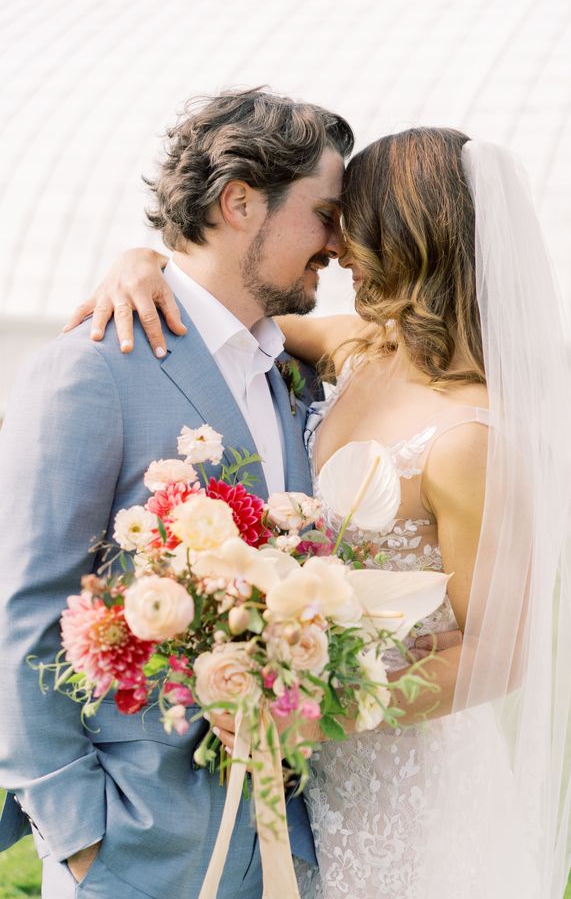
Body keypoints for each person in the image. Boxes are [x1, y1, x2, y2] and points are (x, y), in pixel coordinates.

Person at [80, 126, 571, 898]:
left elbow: (496, 654)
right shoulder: (362, 348)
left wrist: (314, 718)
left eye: (348, 224)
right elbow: (225, 309)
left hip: (408, 787)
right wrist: (142, 263)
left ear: (408, 235)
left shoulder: (472, 438)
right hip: (308, 780)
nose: (335, 248)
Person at [0, 88, 355, 899]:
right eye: (324, 215)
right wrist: (82, 836)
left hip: (280, 841)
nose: (338, 245)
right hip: (136, 852)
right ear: (240, 203)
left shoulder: (292, 375)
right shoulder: (92, 367)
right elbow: (21, 611)